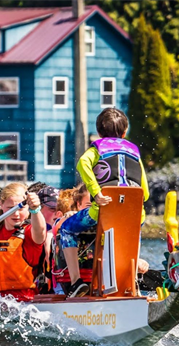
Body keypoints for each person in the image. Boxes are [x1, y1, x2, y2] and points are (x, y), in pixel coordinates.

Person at [59, 107, 149, 298]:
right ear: (125, 132)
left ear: (99, 132)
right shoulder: (134, 152)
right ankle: (131, 282)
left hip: (103, 211)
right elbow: (146, 193)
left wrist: (97, 193)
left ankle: (76, 283)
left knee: (66, 229)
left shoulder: (97, 148)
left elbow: (82, 164)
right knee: (133, 231)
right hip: (134, 215)